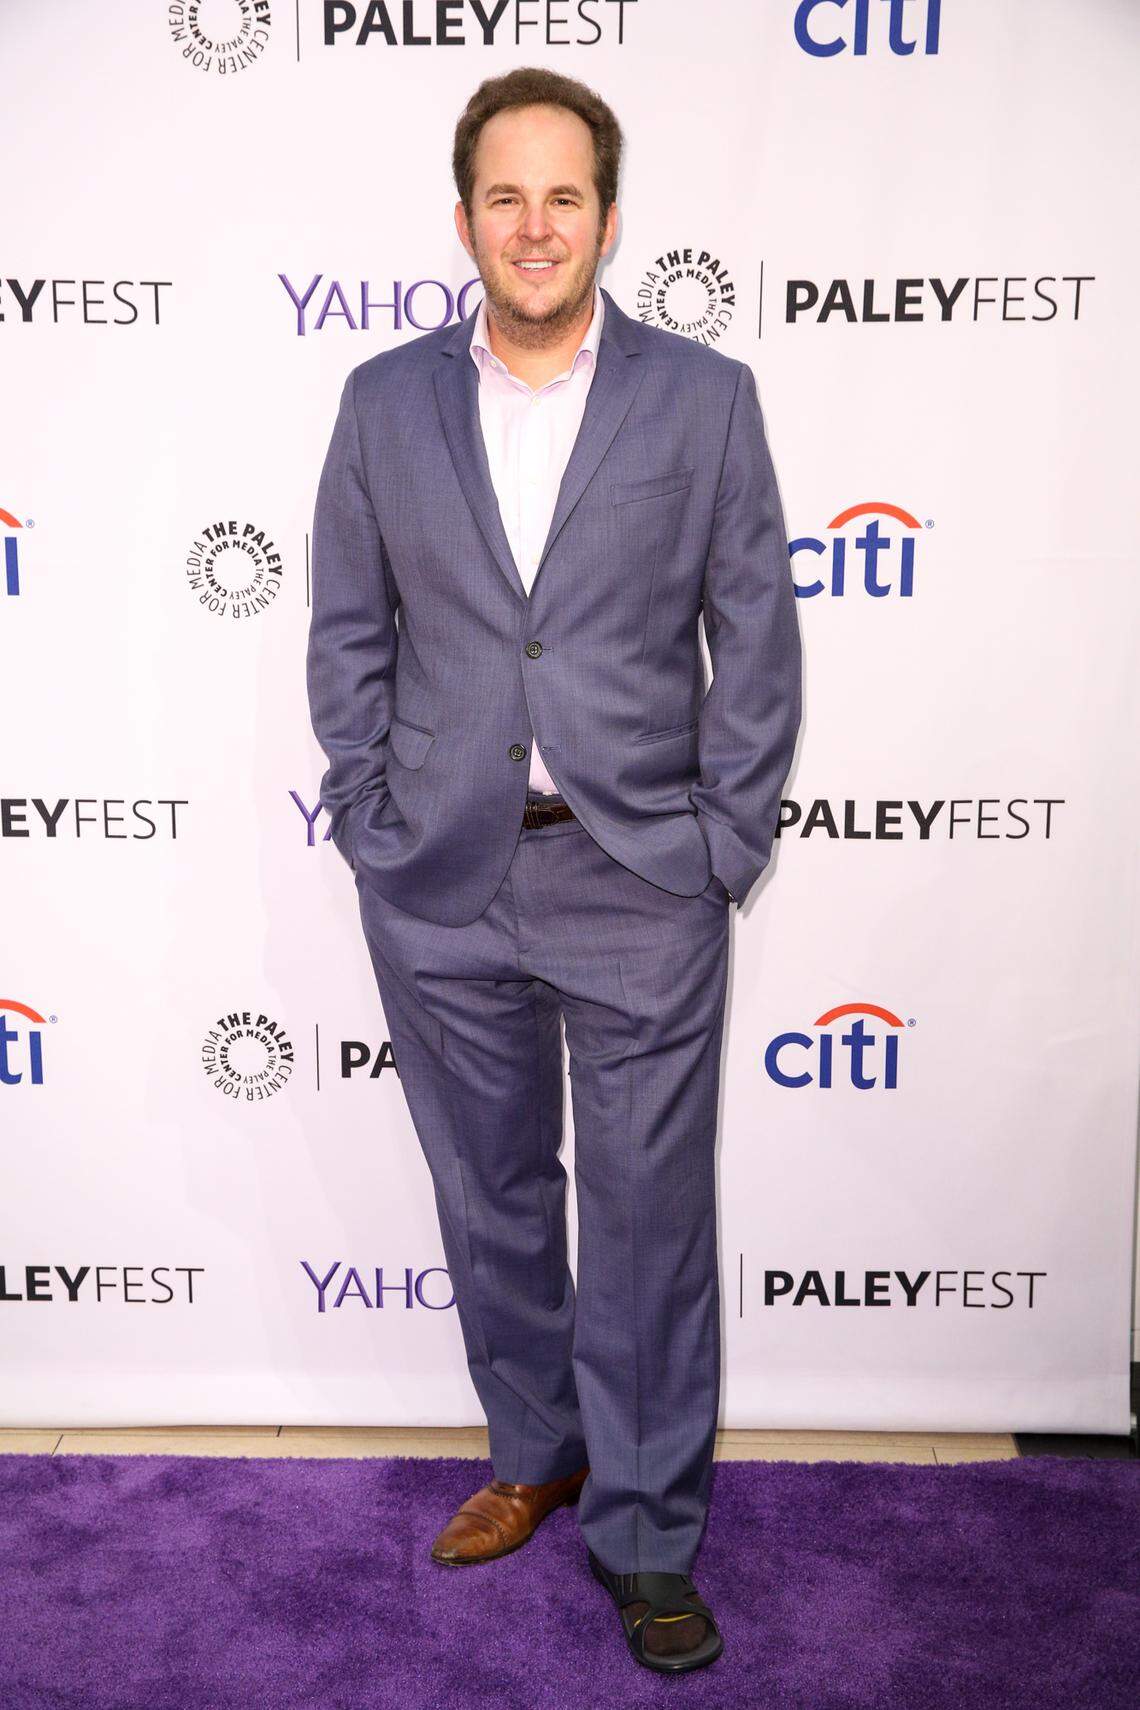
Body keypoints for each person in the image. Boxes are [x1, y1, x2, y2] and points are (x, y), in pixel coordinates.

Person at [306, 64, 802, 1674]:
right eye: (505, 197)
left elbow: (758, 644)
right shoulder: (383, 402)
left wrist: (718, 845)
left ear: (606, 217)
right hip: (442, 878)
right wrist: (375, 817)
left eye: (565, 196)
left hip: (639, 873)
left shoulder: (703, 397)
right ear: (464, 221)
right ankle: (537, 1449)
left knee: (652, 1219)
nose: (535, 226)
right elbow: (347, 635)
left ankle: (650, 1530)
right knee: (494, 1196)